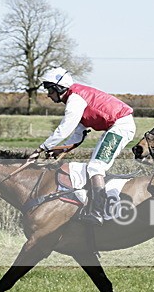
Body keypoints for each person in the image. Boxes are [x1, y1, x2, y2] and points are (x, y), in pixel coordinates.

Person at [33, 67, 136, 225]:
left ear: (59, 88)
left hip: (120, 127)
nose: (48, 95)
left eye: (50, 90)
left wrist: (42, 148)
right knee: (94, 167)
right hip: (116, 126)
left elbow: (65, 128)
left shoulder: (75, 100)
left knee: (96, 167)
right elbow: (78, 133)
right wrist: (61, 149)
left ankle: (98, 211)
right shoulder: (76, 97)